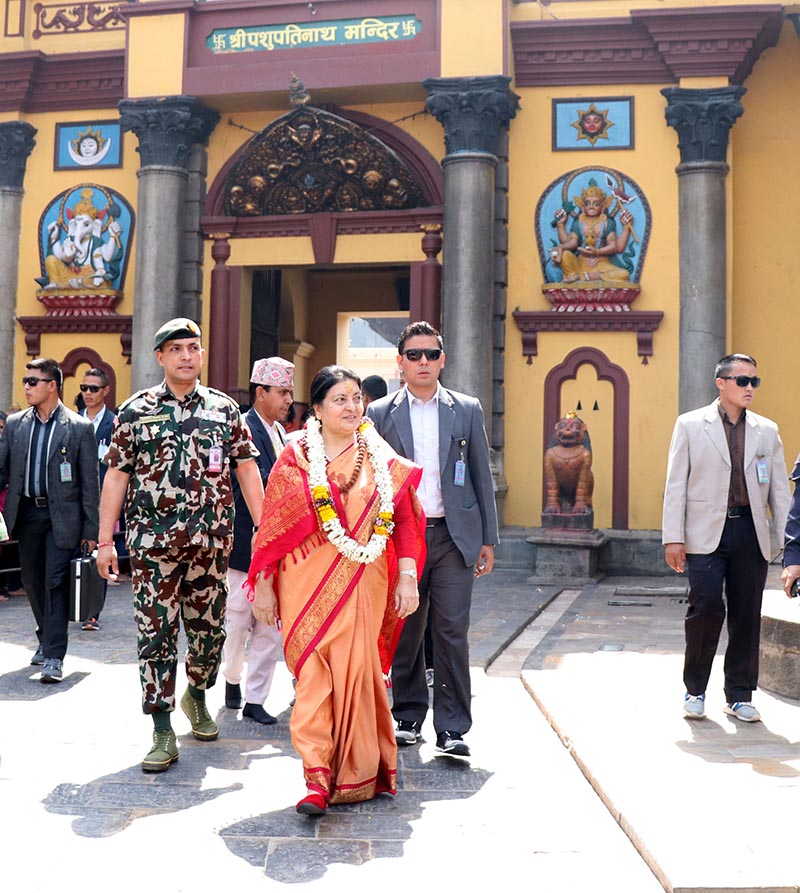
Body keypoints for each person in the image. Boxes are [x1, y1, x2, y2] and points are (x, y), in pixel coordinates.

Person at [248, 365, 426, 815]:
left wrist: (407, 575)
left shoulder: (380, 457)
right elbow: (272, 529)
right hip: (303, 584)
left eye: (357, 398)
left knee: (359, 674)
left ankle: (354, 772)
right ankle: (315, 776)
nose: (352, 407)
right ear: (319, 409)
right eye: (340, 399)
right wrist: (264, 587)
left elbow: (405, 519)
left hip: (364, 583)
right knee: (312, 677)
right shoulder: (296, 457)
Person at [96, 318, 265, 772]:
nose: (186, 355)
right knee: (157, 636)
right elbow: (116, 475)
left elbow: (247, 470)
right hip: (154, 548)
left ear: (202, 354)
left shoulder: (225, 410)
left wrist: (266, 531)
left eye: (193, 347)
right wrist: (104, 540)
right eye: (176, 349)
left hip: (211, 545)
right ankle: (161, 727)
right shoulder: (135, 410)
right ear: (161, 358)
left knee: (210, 636)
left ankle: (196, 693)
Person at [367, 321, 499, 757]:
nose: (423, 361)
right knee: (406, 627)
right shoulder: (380, 414)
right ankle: (406, 716)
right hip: (401, 538)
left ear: (442, 360)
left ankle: (453, 727)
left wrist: (488, 539)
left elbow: (480, 472)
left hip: (453, 535)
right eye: (414, 355)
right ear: (400, 362)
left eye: (430, 354)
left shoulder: (466, 409)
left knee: (451, 630)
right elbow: (368, 479)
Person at [662, 353, 790, 722]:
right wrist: (674, 537)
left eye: (755, 381)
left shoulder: (767, 430)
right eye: (742, 381)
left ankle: (739, 693)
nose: (750, 388)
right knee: (705, 608)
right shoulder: (689, 425)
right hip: (703, 532)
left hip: (750, 530)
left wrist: (788, 545)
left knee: (747, 612)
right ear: (721, 383)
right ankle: (695, 690)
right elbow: (675, 485)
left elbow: (780, 490)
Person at [0, 358, 99, 681]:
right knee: (31, 580)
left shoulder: (79, 428)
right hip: (26, 513)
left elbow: (90, 484)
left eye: (33, 381)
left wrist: (91, 530)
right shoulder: (16, 424)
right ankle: (46, 636)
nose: (26, 386)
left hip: (62, 517)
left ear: (52, 385)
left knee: (56, 581)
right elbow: (2, 470)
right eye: (25, 380)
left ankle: (54, 656)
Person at [223, 356, 295, 725]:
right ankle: (232, 679)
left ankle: (256, 697)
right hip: (242, 545)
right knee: (236, 624)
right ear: (260, 392)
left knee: (269, 626)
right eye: (282, 392)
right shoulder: (241, 429)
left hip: (276, 547)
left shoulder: (283, 434)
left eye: (290, 393)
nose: (288, 400)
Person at [78, 368, 115, 630]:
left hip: (101, 499)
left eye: (93, 388)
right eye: (84, 388)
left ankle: (92, 611)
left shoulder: (114, 424)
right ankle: (72, 605)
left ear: (105, 391)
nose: (88, 393)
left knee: (97, 552)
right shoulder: (70, 421)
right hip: (70, 498)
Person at [550, 180, 633, 283]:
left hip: (601, 263)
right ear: (583, 207)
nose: (591, 206)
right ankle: (575, 275)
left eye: (596, 204)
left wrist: (597, 251)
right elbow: (572, 242)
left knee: (624, 274)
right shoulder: (579, 222)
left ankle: (593, 277)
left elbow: (614, 246)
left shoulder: (607, 222)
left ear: (602, 208)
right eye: (588, 203)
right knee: (565, 255)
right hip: (581, 262)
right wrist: (560, 228)